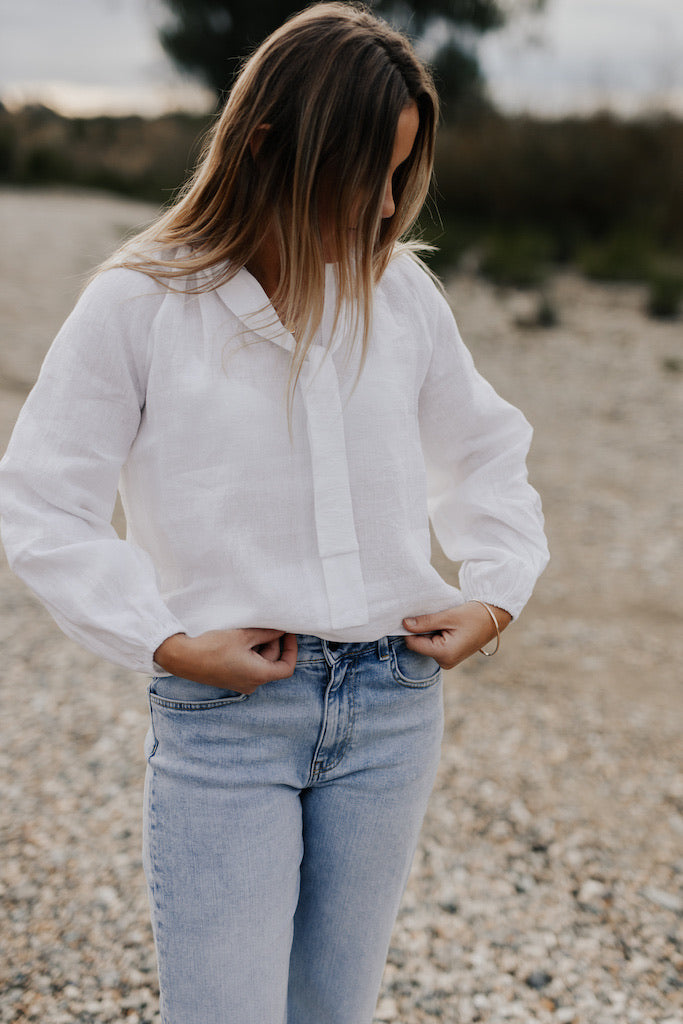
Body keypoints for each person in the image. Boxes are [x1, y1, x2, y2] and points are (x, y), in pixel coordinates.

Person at [0, 4, 549, 1022]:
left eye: (401, 175)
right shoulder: (139, 304)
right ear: (265, 147)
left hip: (393, 709)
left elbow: (484, 454)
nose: (387, 207)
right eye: (364, 175)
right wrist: (162, 640)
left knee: (331, 1011)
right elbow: (42, 501)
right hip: (228, 721)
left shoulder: (404, 298)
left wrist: (494, 596)